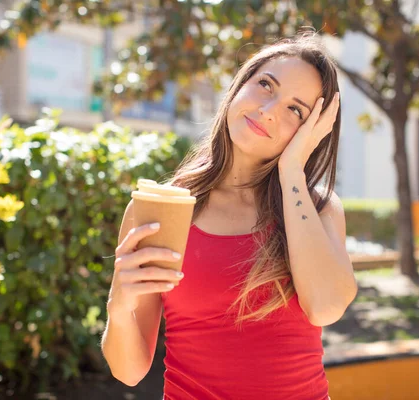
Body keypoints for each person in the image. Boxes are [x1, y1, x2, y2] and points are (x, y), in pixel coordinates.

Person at [102, 32, 358, 400]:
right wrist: (119, 303)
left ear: (311, 132)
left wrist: (292, 176)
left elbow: (325, 307)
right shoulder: (162, 208)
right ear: (239, 86)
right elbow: (128, 371)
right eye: (265, 85)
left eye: (295, 110)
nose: (269, 109)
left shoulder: (316, 208)